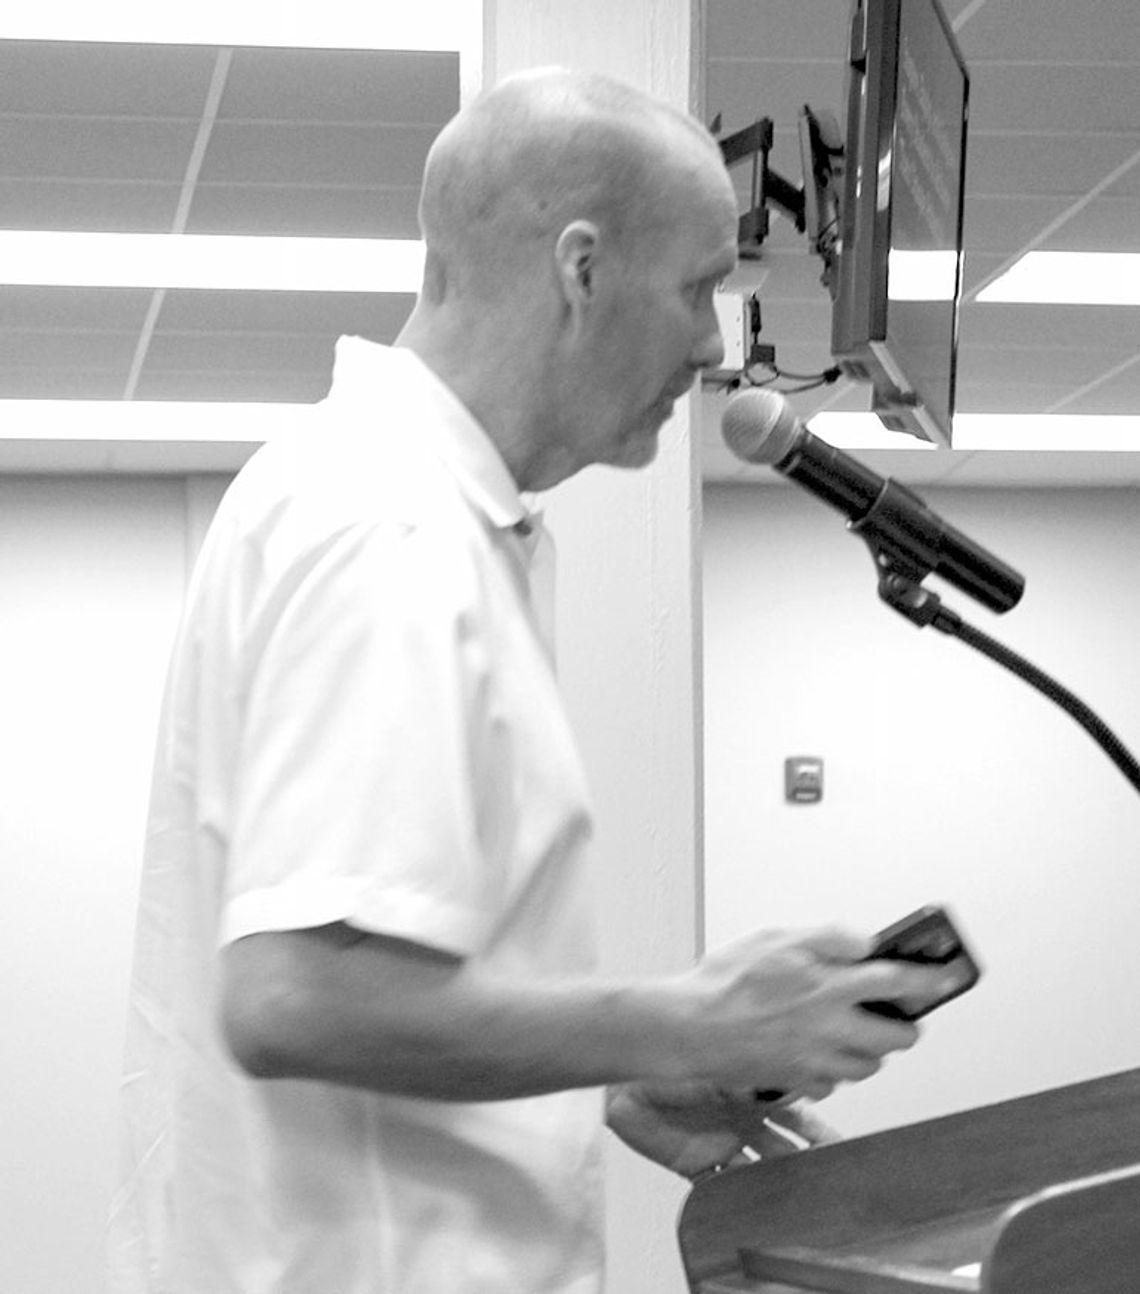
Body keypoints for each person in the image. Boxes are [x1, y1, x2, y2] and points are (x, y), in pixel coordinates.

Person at [108, 67, 954, 1294]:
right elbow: (297, 996)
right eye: (702, 287)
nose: (716, 347)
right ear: (582, 268)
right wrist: (694, 1017)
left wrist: (611, 1082)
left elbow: (387, 968)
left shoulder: (406, 508)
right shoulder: (388, 525)